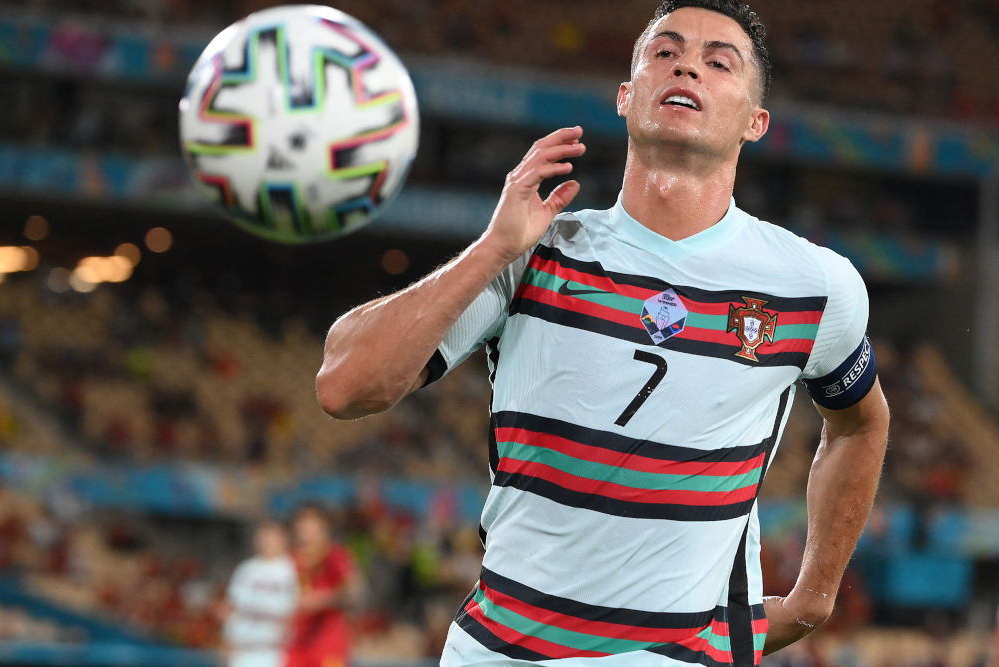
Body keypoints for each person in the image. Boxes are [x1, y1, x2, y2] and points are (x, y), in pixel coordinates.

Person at [316, 0, 891, 665]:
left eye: (718, 61)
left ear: (755, 122)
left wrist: (816, 592)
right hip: (496, 650)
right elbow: (345, 385)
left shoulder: (812, 284)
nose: (687, 67)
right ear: (626, 95)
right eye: (665, 52)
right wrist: (491, 249)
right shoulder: (533, 253)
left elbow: (859, 423)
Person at [285, 505, 363, 667]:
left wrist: (323, 599)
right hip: (295, 642)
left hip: (328, 641)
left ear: (323, 527)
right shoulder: (289, 559)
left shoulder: (335, 555)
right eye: (302, 523)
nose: (305, 528)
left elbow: (355, 590)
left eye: (310, 523)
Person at [222, 521, 299, 667]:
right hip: (242, 649)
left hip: (274, 651)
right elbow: (230, 606)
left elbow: (297, 608)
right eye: (264, 536)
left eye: (273, 536)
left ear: (285, 539)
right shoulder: (246, 569)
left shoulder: (292, 568)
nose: (268, 541)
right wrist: (225, 639)